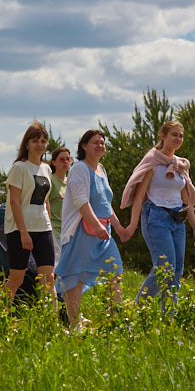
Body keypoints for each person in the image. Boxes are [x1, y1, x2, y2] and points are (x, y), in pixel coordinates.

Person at [122, 120, 195, 311]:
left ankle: (169, 317)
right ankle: (138, 308)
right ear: (163, 136)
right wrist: (132, 225)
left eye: (181, 136)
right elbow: (140, 195)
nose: (178, 139)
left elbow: (186, 200)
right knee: (164, 268)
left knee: (176, 270)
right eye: (174, 134)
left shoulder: (179, 166)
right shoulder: (153, 162)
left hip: (177, 220)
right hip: (156, 217)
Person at [54, 130, 129, 332]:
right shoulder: (79, 169)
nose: (100, 146)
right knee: (75, 276)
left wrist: (119, 227)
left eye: (102, 143)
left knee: (115, 272)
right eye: (95, 142)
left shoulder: (101, 170)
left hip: (103, 232)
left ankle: (115, 321)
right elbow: (81, 201)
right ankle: (75, 323)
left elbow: (105, 203)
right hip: (82, 230)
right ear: (84, 146)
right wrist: (96, 225)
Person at [4, 122, 58, 307]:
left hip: (43, 228)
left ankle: (51, 324)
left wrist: (48, 223)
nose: (40, 145)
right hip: (20, 230)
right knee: (16, 279)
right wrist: (23, 232)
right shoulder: (19, 167)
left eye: (43, 141)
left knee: (49, 279)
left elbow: (46, 200)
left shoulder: (47, 169)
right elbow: (14, 202)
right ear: (26, 144)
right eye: (35, 141)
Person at [49, 146, 73, 322]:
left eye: (68, 159)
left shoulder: (70, 182)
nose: (66, 162)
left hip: (70, 232)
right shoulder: (50, 182)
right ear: (54, 162)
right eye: (62, 159)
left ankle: (67, 308)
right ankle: (61, 309)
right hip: (55, 231)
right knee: (60, 271)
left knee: (70, 272)